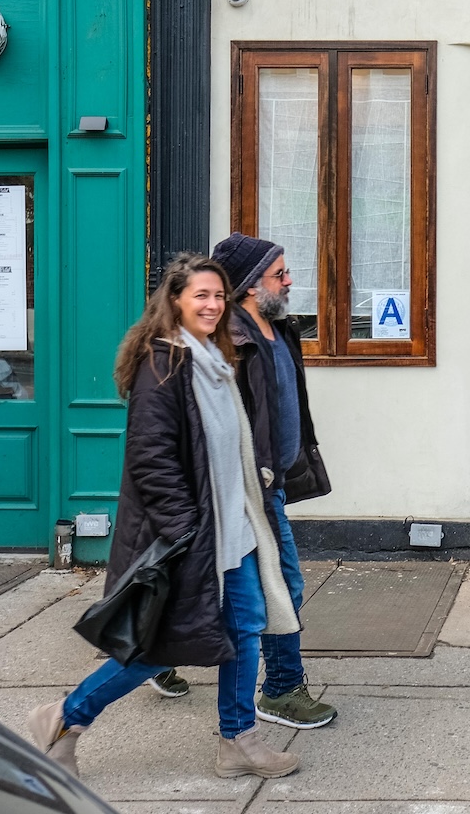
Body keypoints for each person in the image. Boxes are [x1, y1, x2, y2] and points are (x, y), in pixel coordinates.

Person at [26, 253, 302, 780]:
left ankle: (238, 740)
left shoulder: (214, 360)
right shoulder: (165, 365)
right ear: (175, 300)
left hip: (233, 531)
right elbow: (152, 463)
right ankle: (65, 718)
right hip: (193, 538)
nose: (213, 305)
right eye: (201, 295)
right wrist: (185, 533)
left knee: (245, 629)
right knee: (161, 646)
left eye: (219, 296)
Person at [150, 233, 337, 730]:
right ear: (252, 285)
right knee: (283, 584)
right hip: (248, 484)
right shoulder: (228, 338)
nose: (290, 280)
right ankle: (280, 689)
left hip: (272, 478)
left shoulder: (278, 328)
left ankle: (154, 650)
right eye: (280, 274)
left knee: (221, 584)